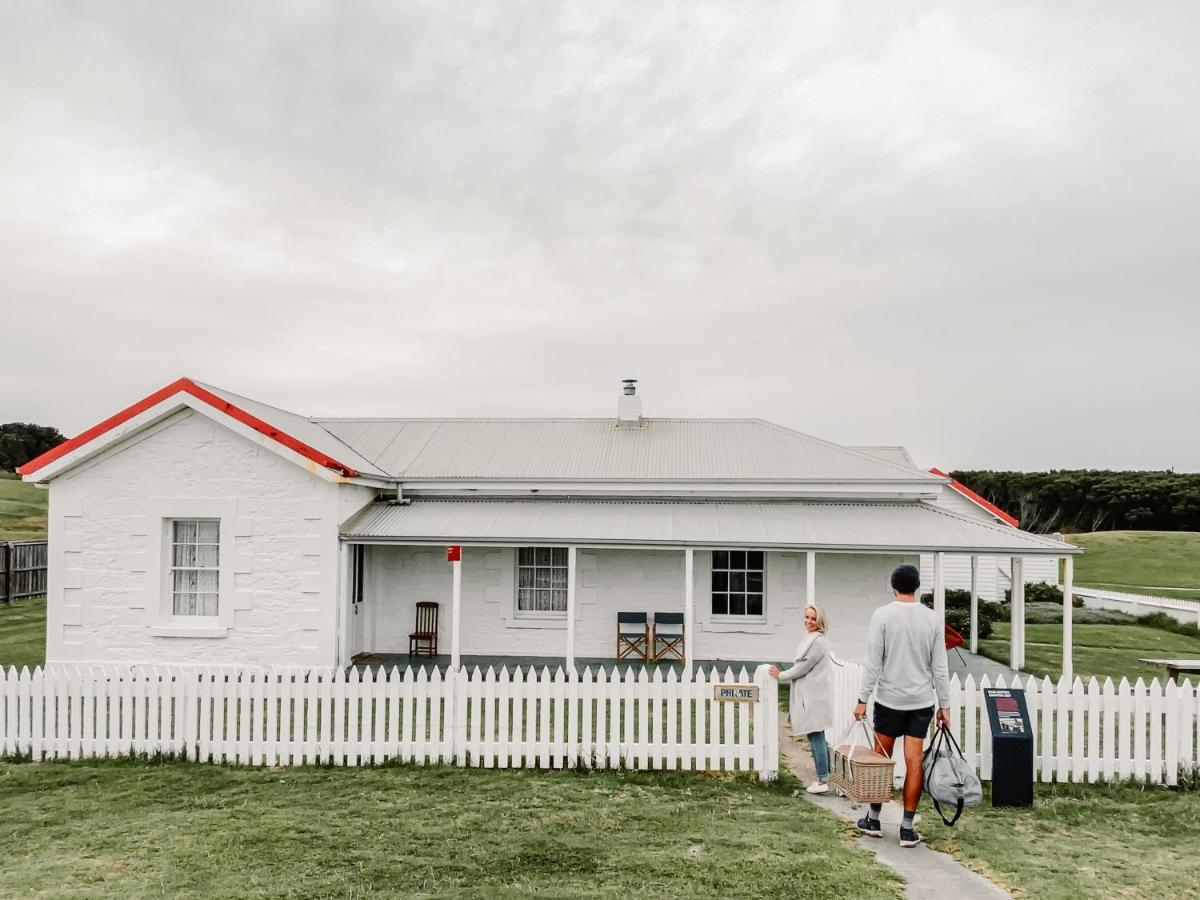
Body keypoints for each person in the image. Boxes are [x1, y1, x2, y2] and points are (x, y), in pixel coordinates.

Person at [853, 563, 950, 849]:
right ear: (917, 587)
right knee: (914, 761)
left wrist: (862, 699)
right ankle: (907, 828)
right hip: (920, 702)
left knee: (880, 758)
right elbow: (940, 668)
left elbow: (873, 663)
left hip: (889, 700)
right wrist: (944, 706)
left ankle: (873, 818)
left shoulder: (882, 615)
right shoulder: (932, 619)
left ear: (893, 586)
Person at [769, 604, 833, 794]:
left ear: (820, 620)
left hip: (815, 695)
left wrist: (780, 675)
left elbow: (801, 668)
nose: (809, 621)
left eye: (813, 618)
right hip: (814, 693)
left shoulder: (818, 642)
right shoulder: (813, 638)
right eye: (806, 617)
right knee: (817, 735)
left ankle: (823, 780)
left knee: (816, 735)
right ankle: (828, 774)